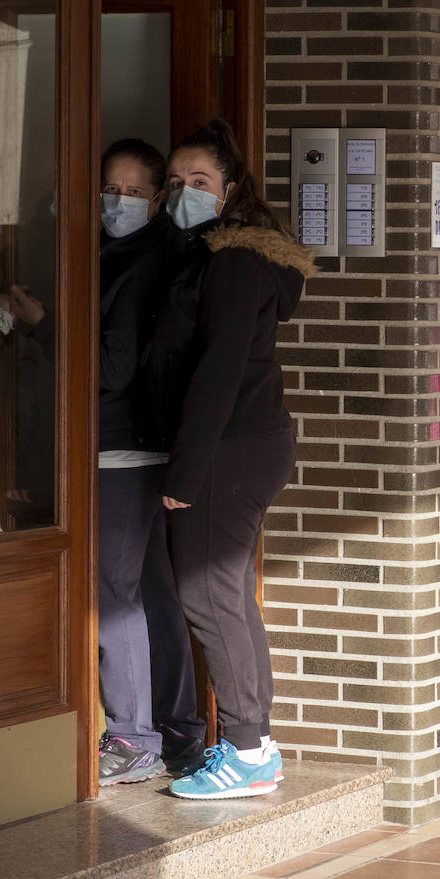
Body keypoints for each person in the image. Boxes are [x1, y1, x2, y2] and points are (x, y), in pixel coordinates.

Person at [150, 119, 315, 799]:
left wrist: (186, 473)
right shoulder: (219, 256)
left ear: (231, 190)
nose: (183, 192)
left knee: (207, 594)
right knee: (229, 596)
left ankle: (246, 751)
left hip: (226, 450)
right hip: (245, 445)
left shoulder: (232, 262)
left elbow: (217, 371)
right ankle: (257, 744)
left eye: (200, 182)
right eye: (175, 182)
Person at [92, 138, 206, 783]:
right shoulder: (161, 252)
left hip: (121, 445)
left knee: (116, 594)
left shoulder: (135, 265)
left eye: (134, 192)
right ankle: (178, 725)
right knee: (154, 589)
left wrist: (44, 321)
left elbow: (110, 368)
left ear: (159, 198)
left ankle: (132, 737)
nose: (119, 202)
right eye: (111, 189)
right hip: (150, 442)